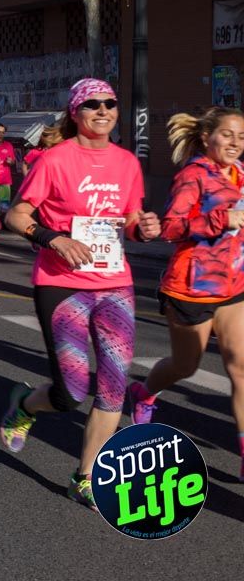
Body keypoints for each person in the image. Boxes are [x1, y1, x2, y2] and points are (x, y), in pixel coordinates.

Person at [0, 78, 161, 510]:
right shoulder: (55, 160)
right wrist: (53, 239)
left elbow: (129, 218)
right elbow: (16, 215)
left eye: (110, 103)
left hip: (115, 285)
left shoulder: (127, 162)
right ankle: (26, 406)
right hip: (61, 285)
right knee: (71, 393)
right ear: (76, 112)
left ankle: (85, 477)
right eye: (92, 104)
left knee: (112, 387)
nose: (103, 110)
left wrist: (143, 228)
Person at [126, 108, 244, 480]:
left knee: (242, 368)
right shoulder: (192, 176)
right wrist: (220, 219)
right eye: (228, 134)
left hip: (234, 285)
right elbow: (171, 227)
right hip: (190, 288)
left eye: (241, 136)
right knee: (185, 366)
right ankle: (144, 393)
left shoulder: (241, 174)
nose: (236, 142)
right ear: (208, 136)